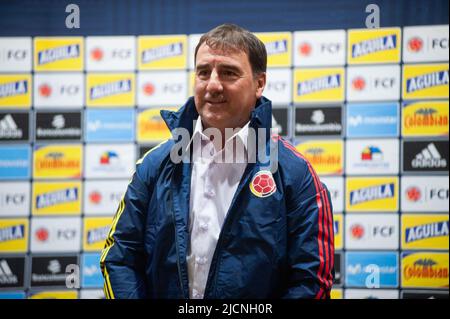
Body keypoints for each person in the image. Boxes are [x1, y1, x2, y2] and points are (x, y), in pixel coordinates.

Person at [100, 23, 334, 299]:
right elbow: (119, 257)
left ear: (259, 84)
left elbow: (312, 279)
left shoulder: (296, 173)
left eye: (228, 72)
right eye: (203, 72)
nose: (212, 84)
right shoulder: (155, 164)